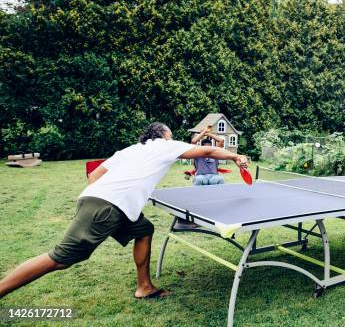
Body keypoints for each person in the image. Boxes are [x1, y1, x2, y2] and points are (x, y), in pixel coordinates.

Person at [0, 122, 248, 300]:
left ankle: (145, 287)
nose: (172, 140)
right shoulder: (164, 145)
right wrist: (235, 158)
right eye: (170, 136)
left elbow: (94, 176)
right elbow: (206, 150)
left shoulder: (129, 150)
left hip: (99, 202)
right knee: (60, 259)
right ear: (162, 135)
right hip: (106, 209)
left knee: (144, 229)